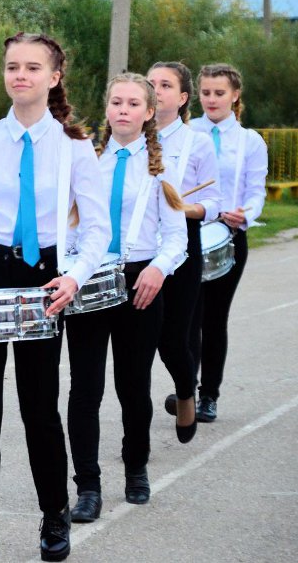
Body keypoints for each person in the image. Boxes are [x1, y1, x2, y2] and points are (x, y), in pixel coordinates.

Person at [0, 32, 110, 563]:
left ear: (54, 77)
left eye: (33, 67)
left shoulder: (75, 145)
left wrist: (74, 276)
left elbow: (97, 228)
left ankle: (54, 514)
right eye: (13, 66)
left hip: (45, 279)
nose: (21, 75)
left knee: (39, 406)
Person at [66, 74, 188, 524]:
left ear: (148, 112)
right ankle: (88, 486)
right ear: (107, 108)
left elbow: (176, 237)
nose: (123, 109)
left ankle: (136, 466)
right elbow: (71, 224)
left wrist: (159, 268)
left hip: (140, 282)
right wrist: (69, 269)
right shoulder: (86, 160)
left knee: (133, 386)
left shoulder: (161, 167)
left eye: (133, 103)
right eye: (116, 101)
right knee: (85, 389)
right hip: (90, 278)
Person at [147, 62, 221, 439]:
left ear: (182, 98)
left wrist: (180, 207)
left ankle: (186, 393)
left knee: (173, 337)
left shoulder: (198, 142)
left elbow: (213, 202)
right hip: (140, 245)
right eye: (150, 83)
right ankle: (136, 428)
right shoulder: (128, 137)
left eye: (165, 85)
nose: (156, 90)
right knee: (136, 340)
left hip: (182, 243)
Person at [190, 64, 268, 422]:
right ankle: (185, 388)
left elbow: (256, 190)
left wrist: (245, 214)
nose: (211, 99)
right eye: (205, 92)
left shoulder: (250, 141)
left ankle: (209, 395)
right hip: (189, 235)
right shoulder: (188, 133)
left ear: (235, 95)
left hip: (229, 237)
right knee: (186, 319)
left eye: (219, 93)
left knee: (213, 319)